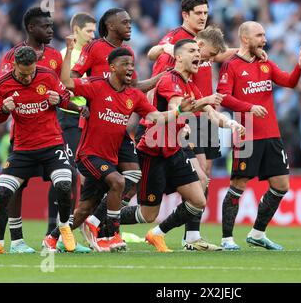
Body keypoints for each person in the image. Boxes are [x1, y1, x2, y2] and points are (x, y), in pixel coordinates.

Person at [58, 38, 196, 252]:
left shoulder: (133, 95)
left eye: (132, 64)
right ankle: (108, 234)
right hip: (89, 154)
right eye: (126, 64)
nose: (131, 68)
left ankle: (55, 239)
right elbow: (66, 82)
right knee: (118, 181)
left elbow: (157, 117)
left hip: (111, 153)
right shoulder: (96, 85)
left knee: (88, 206)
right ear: (112, 67)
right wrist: (68, 50)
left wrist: (178, 112)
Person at [121, 39, 244, 253]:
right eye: (192, 50)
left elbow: (209, 112)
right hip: (155, 149)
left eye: (198, 50)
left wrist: (231, 124)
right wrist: (190, 114)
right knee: (147, 212)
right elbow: (176, 106)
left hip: (174, 148)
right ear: (178, 57)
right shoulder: (170, 79)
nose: (198, 55)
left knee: (198, 200)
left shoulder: (189, 83)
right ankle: (101, 219)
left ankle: (158, 234)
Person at [72, 8, 165, 251]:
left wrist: (159, 79)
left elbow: (133, 88)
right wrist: (83, 105)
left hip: (118, 126)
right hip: (95, 127)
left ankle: (97, 224)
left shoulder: (129, 53)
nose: (130, 25)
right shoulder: (94, 48)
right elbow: (73, 77)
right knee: (98, 188)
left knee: (131, 177)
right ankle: (93, 232)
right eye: (125, 22)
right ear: (110, 25)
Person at [0, 46, 88, 254]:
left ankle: (65, 228)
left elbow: (67, 97)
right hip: (23, 149)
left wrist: (59, 100)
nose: (28, 77)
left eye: (31, 72)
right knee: (3, 192)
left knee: (65, 185)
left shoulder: (47, 76)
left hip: (52, 144)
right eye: (23, 73)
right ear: (14, 65)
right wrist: (4, 109)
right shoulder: (3, 84)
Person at [217, 21, 301, 250]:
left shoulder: (266, 63)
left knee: (281, 185)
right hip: (246, 135)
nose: (264, 39)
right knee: (238, 185)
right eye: (259, 35)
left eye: (265, 35)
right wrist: (249, 108)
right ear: (245, 38)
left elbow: (289, 82)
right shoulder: (231, 66)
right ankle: (227, 238)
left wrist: (300, 64)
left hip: (271, 135)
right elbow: (223, 97)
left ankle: (258, 233)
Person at [0, 7, 63, 254]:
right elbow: (2, 93)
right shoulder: (11, 57)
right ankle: (16, 239)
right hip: (23, 134)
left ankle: (55, 236)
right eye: (46, 26)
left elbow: (61, 89)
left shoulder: (54, 57)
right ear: (30, 28)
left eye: (51, 26)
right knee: (17, 186)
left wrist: (59, 100)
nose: (51, 30)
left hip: (51, 132)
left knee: (62, 181)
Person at [149, 26, 227, 251]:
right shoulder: (177, 43)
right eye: (199, 12)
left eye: (205, 12)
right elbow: (157, 66)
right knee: (145, 204)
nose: (202, 17)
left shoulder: (193, 74)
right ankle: (102, 222)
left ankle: (191, 236)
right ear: (186, 14)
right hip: (178, 125)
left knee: (203, 179)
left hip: (198, 115)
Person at [50, 12, 97, 253]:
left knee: (87, 177)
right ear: (75, 30)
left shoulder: (93, 54)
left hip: (88, 121)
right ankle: (54, 233)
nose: (92, 35)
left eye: (94, 31)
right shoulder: (64, 55)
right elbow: (60, 88)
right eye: (88, 31)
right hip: (69, 119)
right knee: (65, 175)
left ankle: (74, 229)